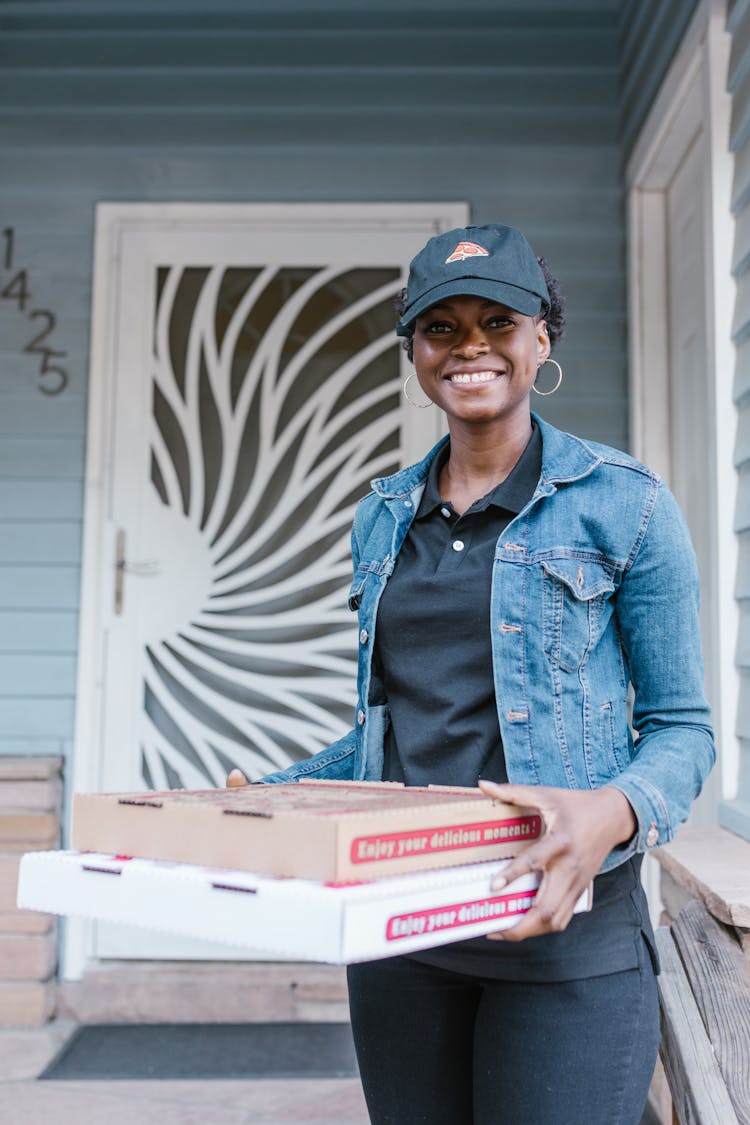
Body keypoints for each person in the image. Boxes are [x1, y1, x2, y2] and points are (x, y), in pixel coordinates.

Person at [228, 223, 715, 1124]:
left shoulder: (628, 503)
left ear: (543, 339)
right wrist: (275, 792)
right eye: (441, 327)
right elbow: (392, 731)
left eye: (499, 319)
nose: (471, 346)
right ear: (414, 352)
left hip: (565, 932)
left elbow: (685, 726)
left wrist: (613, 809)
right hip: (401, 934)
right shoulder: (381, 520)